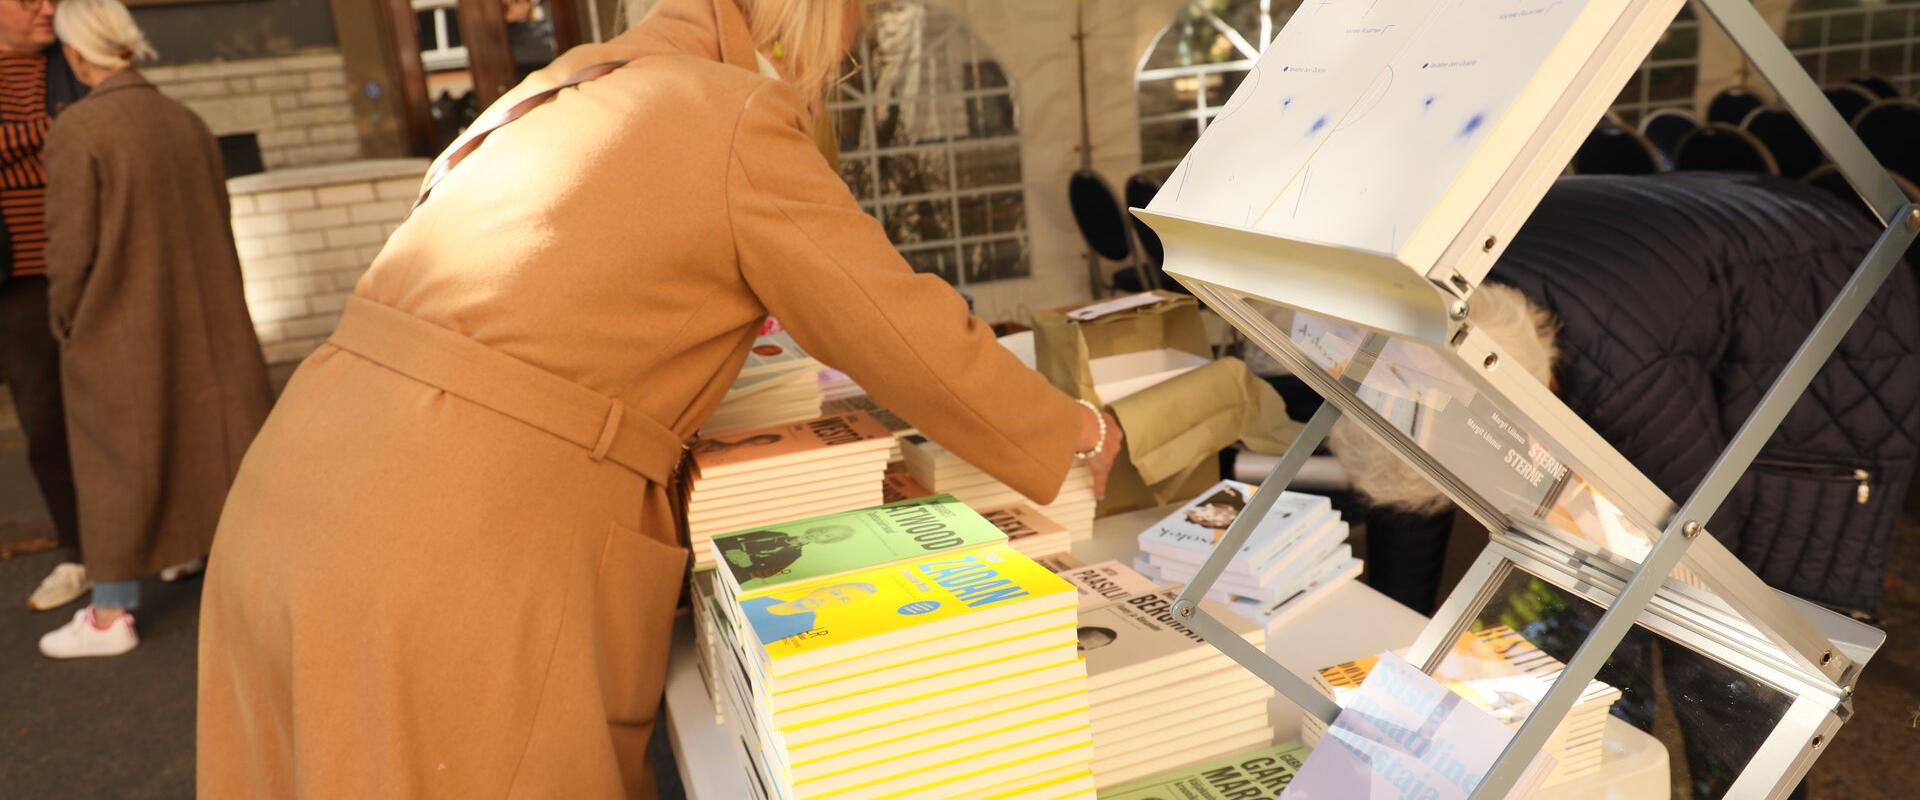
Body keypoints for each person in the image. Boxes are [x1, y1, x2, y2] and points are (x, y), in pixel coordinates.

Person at [196, 0, 1124, 796]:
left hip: (291, 503)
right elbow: (896, 325)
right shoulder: (727, 110)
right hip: (446, 548)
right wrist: (1070, 427)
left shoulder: (559, 87)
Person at [33, 0, 272, 658]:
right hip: (203, 317)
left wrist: (67, 319)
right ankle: (193, 552)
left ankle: (111, 613)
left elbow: (70, 247)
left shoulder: (79, 129)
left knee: (117, 459)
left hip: (117, 324)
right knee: (199, 434)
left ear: (79, 54)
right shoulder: (184, 121)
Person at [0, 0, 88, 612]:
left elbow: (98, 135)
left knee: (118, 412)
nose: (47, 8)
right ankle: (80, 554)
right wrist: (48, 132)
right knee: (46, 426)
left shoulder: (73, 60)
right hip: (17, 286)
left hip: (85, 265)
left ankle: (154, 540)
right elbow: (71, 132)